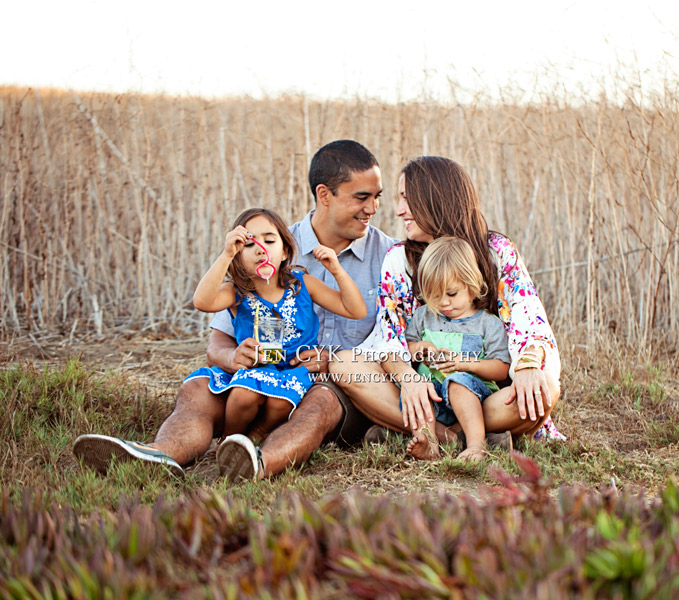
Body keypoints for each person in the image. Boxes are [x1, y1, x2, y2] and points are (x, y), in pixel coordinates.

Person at [73, 140, 397, 480]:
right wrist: (233, 358)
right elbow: (217, 343)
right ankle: (157, 456)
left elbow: (397, 339)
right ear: (324, 194)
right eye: (362, 197)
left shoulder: (389, 256)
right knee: (197, 390)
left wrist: (337, 360)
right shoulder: (268, 247)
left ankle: (255, 463)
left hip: (336, 386)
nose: (373, 207)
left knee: (322, 402)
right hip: (261, 376)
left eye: (378, 196)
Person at [330, 155, 564, 453]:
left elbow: (527, 317)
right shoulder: (400, 260)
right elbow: (389, 337)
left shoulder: (496, 252)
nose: (399, 210)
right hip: (425, 392)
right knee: (342, 363)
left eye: (406, 199)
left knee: (547, 387)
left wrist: (530, 365)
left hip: (482, 393)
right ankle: (452, 435)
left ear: (434, 200)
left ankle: (439, 432)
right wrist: (409, 380)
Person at [187, 207, 365, 473]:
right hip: (255, 369)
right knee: (243, 395)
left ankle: (258, 436)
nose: (260, 248)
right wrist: (226, 254)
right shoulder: (237, 292)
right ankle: (229, 440)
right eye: (249, 244)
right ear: (238, 255)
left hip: (295, 369)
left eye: (269, 241)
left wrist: (337, 270)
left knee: (281, 401)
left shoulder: (303, 284)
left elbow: (355, 310)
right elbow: (202, 302)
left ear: (284, 252)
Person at [404, 236, 511, 462]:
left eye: (452, 294)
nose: (443, 303)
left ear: (471, 286)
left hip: (471, 395)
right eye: (434, 295)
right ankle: (429, 445)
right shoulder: (424, 316)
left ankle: (475, 445)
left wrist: (463, 364)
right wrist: (419, 348)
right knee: (418, 391)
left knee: (458, 382)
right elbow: (407, 348)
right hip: (434, 395)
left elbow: (501, 368)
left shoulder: (487, 323)